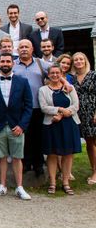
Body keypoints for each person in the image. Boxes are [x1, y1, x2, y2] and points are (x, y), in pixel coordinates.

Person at [0, 53, 33, 200]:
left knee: (17, 157)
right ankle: (2, 186)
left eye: (8, 61)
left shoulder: (23, 82)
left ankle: (19, 187)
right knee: (1, 157)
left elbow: (28, 106)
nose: (5, 63)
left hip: (16, 126)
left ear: (13, 63)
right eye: (3, 61)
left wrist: (22, 125)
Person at [39, 64, 81, 195]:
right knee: (52, 154)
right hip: (51, 124)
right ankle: (52, 182)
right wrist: (59, 110)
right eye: (52, 73)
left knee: (68, 154)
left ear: (62, 74)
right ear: (48, 75)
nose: (55, 75)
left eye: (58, 73)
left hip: (69, 124)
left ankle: (66, 182)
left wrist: (62, 114)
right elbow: (44, 107)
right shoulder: (43, 90)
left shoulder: (69, 88)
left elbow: (76, 105)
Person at [13, 39, 51, 176]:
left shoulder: (41, 64)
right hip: (21, 108)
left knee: (39, 135)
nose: (23, 49)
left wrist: (65, 83)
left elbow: (56, 71)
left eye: (26, 47)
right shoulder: (13, 65)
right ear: (17, 50)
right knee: (25, 136)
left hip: (38, 106)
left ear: (32, 49)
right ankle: (26, 163)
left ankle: (39, 164)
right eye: (21, 47)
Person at [72, 52, 96, 184]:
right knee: (90, 143)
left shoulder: (93, 75)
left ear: (85, 61)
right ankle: (94, 170)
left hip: (93, 112)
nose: (78, 61)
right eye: (76, 60)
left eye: (81, 59)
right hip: (81, 114)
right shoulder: (73, 78)